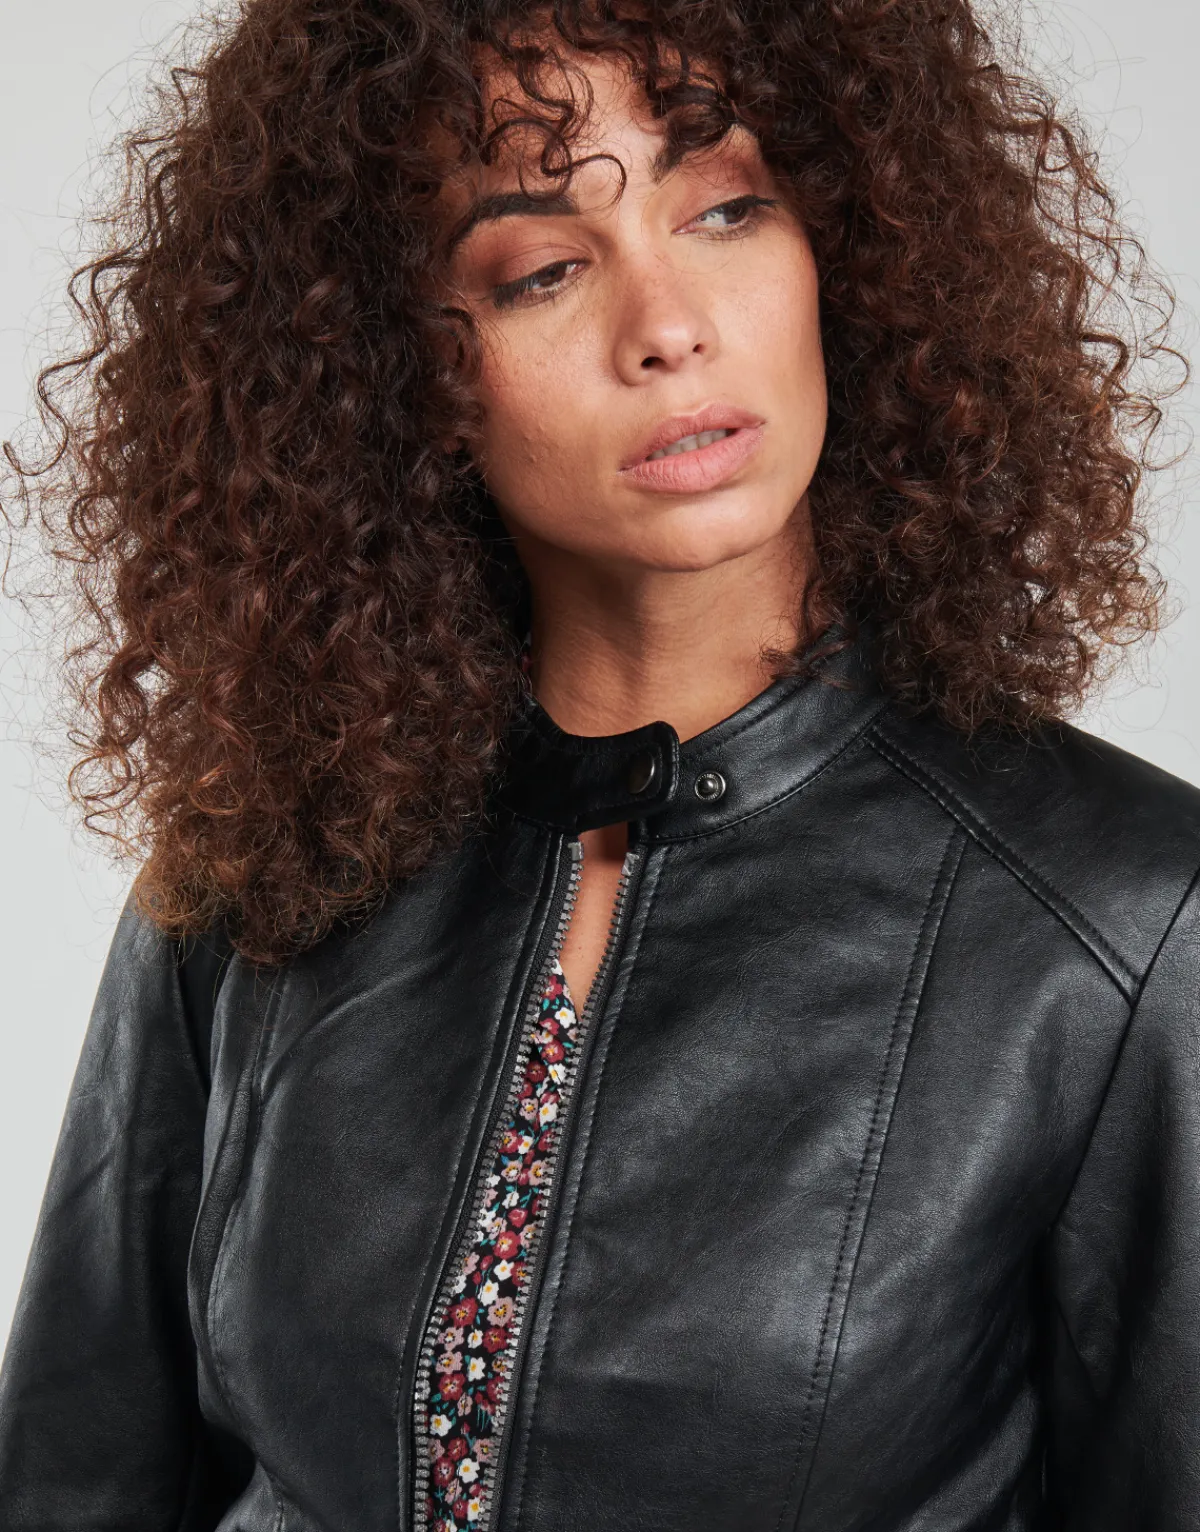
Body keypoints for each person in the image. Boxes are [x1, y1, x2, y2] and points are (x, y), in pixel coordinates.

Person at [1, 0, 1197, 1527]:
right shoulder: (264, 864)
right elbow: (76, 1479)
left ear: (845, 249)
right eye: (542, 270)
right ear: (399, 371)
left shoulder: (1124, 930)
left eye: (729, 208)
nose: (668, 324)